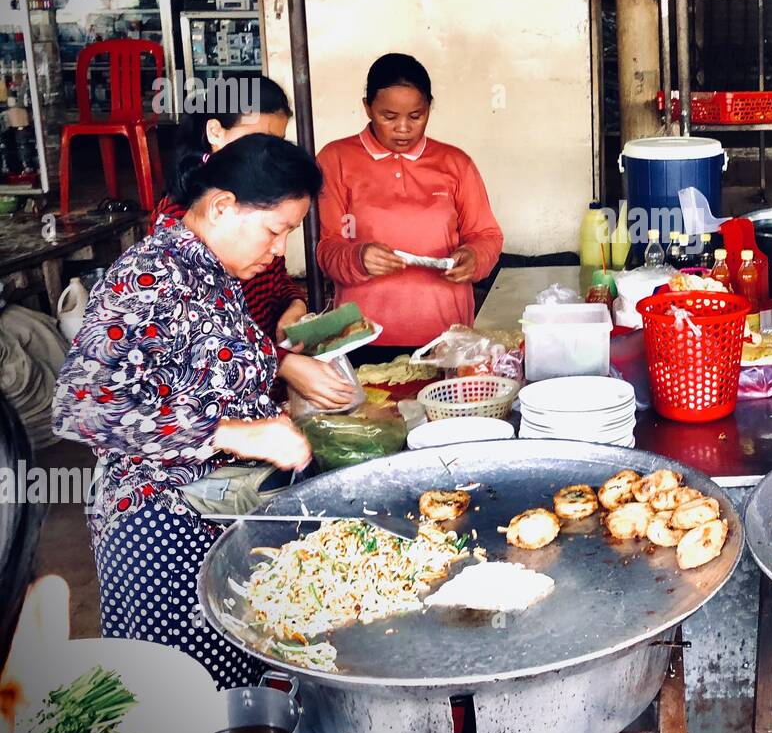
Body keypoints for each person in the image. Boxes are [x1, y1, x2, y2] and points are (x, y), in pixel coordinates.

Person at [52, 134, 321, 688]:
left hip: (214, 517)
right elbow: (83, 405)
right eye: (275, 231)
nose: (277, 250)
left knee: (236, 697)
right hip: (159, 533)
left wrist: (278, 379)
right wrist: (235, 433)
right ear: (222, 206)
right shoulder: (151, 276)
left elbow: (202, 367)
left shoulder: (211, 272)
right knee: (189, 706)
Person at [152, 76, 356, 411]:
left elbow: (276, 282)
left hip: (261, 399)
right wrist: (281, 363)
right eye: (259, 139)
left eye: (276, 142)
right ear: (216, 132)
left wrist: (295, 307)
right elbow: (202, 338)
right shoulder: (179, 235)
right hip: (220, 416)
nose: (268, 155)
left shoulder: (260, 211)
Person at [316, 53, 504, 357]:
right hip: (363, 335)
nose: (403, 128)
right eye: (388, 116)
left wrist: (473, 257)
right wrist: (358, 257)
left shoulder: (455, 163)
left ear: (429, 107)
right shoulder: (336, 160)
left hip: (446, 335)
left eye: (416, 116)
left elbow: (487, 236)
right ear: (367, 107)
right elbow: (326, 249)